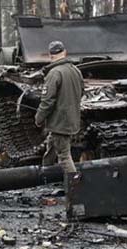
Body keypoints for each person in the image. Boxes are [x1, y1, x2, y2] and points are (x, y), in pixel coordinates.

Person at [34, 41, 84, 175]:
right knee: (51, 147)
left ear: (50, 56)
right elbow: (81, 92)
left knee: (64, 157)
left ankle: (76, 187)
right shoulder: (76, 70)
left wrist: (38, 118)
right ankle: (46, 176)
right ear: (65, 52)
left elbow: (47, 101)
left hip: (59, 122)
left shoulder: (54, 73)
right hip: (71, 120)